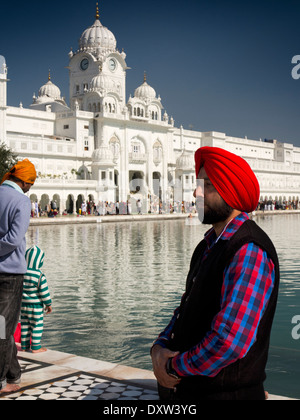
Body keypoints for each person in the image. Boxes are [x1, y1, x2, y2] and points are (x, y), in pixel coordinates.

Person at [151, 146, 280, 401]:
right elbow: (186, 309)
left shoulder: (248, 250)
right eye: (199, 183)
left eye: (208, 185)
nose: (196, 192)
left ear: (231, 192)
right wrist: (160, 346)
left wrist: (172, 367)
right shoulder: (209, 245)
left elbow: (229, 341)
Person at [0, 159, 37, 394]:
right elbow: (14, 240)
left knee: (4, 325)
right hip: (10, 273)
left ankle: (13, 374)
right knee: (3, 328)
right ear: (24, 181)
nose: (30, 188)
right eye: (30, 184)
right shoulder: (22, 201)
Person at [21, 246, 52, 353]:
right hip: (36, 307)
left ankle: (24, 346)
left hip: (23, 305)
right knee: (36, 325)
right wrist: (48, 304)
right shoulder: (39, 276)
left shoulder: (21, 273)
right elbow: (44, 293)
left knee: (25, 325)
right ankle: (36, 347)